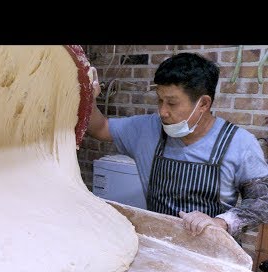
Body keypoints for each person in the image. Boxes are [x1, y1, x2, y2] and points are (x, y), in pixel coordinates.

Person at [87, 52, 268, 243]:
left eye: (172, 103)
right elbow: (100, 128)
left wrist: (222, 222)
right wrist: (87, 97)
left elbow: (263, 201)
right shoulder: (146, 130)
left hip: (212, 254)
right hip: (161, 246)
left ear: (203, 104)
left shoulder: (239, 143)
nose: (162, 111)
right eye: (159, 100)